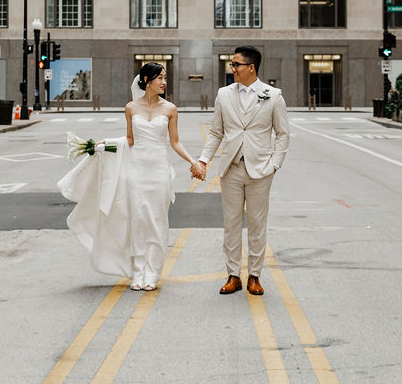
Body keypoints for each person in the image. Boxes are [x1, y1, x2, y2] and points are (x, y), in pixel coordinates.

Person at [58, 62, 201, 292]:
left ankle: (152, 272)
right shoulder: (131, 108)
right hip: (137, 171)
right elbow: (130, 140)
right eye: (160, 78)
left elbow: (174, 142)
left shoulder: (170, 109)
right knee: (138, 220)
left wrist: (193, 161)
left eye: (165, 78)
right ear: (146, 80)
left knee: (156, 221)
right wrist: (106, 144)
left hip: (158, 172)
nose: (164, 82)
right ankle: (138, 271)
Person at [198, 46, 289, 296]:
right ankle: (233, 275)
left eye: (236, 64)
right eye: (232, 64)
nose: (233, 69)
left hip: (261, 170)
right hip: (231, 168)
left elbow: (282, 134)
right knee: (231, 224)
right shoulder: (223, 94)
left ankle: (255, 276)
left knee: (258, 224)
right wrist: (204, 160)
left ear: (251, 68)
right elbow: (216, 131)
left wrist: (275, 164)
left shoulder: (273, 95)